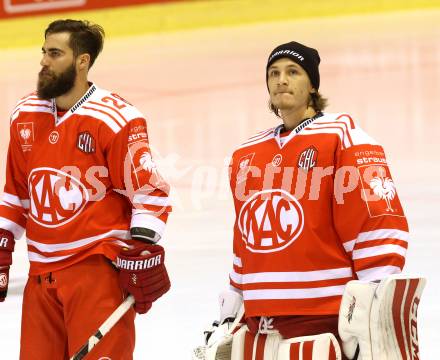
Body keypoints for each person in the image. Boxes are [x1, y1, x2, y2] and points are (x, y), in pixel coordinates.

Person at [225, 41, 410, 359]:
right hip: (262, 320)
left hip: (327, 314)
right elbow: (246, 236)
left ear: (312, 84)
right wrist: (233, 302)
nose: (281, 80)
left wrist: (375, 302)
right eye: (274, 73)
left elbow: (375, 219)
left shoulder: (343, 137)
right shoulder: (246, 154)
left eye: (293, 72)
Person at [0, 19, 171, 359]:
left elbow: (149, 193)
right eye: (44, 52)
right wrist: (3, 245)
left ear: (82, 61)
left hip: (96, 274)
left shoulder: (117, 119)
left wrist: (140, 248)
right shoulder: (25, 113)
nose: (44, 62)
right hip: (41, 276)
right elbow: (17, 192)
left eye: (55, 53)